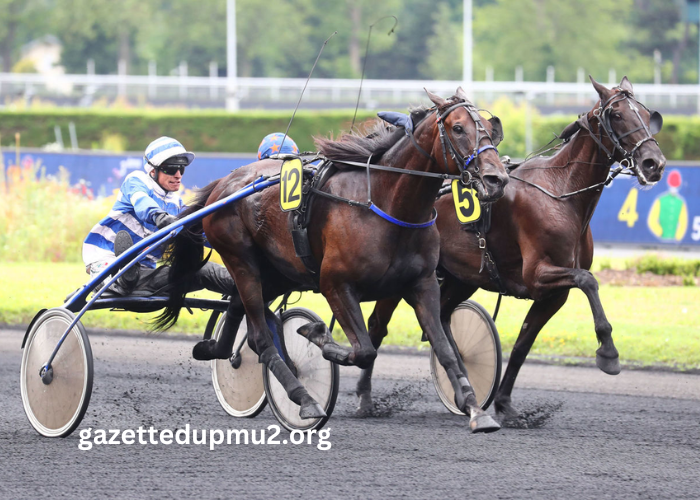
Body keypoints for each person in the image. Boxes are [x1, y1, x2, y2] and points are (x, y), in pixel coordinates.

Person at [82, 136, 235, 296]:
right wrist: (160, 217)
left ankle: (251, 288)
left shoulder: (176, 204)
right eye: (171, 168)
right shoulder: (136, 181)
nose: (178, 175)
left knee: (204, 271)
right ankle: (119, 278)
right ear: (152, 171)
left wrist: (229, 241)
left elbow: (202, 235)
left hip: (145, 274)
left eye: (181, 168)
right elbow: (143, 204)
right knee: (120, 272)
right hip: (105, 259)